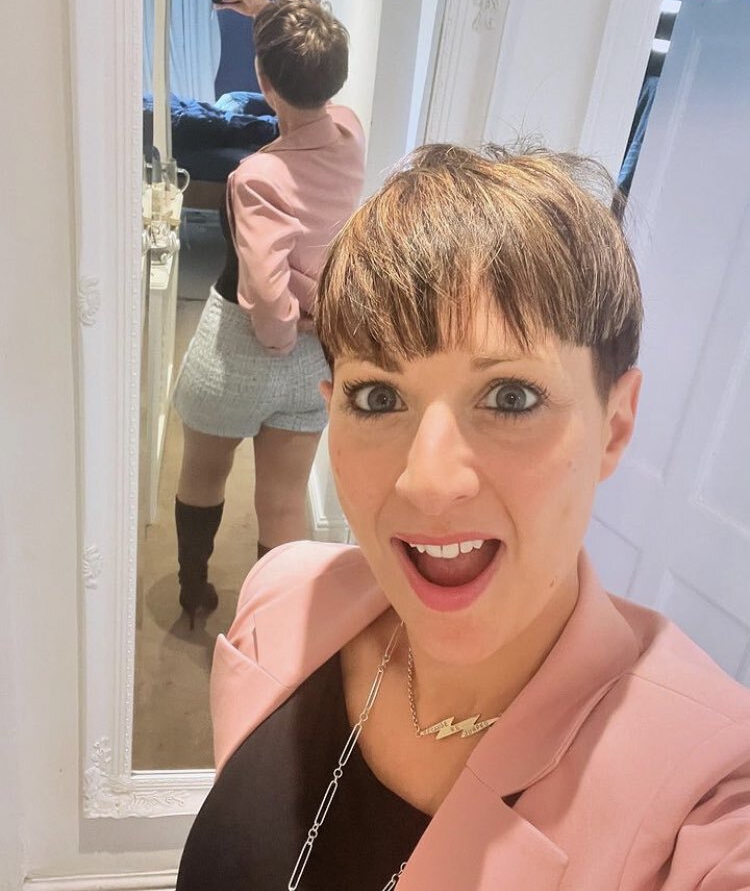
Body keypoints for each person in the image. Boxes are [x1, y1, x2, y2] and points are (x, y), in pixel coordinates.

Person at [175, 144, 750, 889]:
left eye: (511, 397)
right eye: (377, 397)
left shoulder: (710, 797)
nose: (429, 483)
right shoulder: (281, 596)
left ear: (614, 425)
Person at [171, 0, 366, 628]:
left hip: (239, 353)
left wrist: (281, 334)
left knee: (203, 474)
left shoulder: (257, 177)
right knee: (283, 502)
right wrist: (262, 9)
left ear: (263, 82)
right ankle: (271, 624)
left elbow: (263, 290)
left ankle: (194, 593)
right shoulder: (350, 132)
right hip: (314, 362)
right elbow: (308, 75)